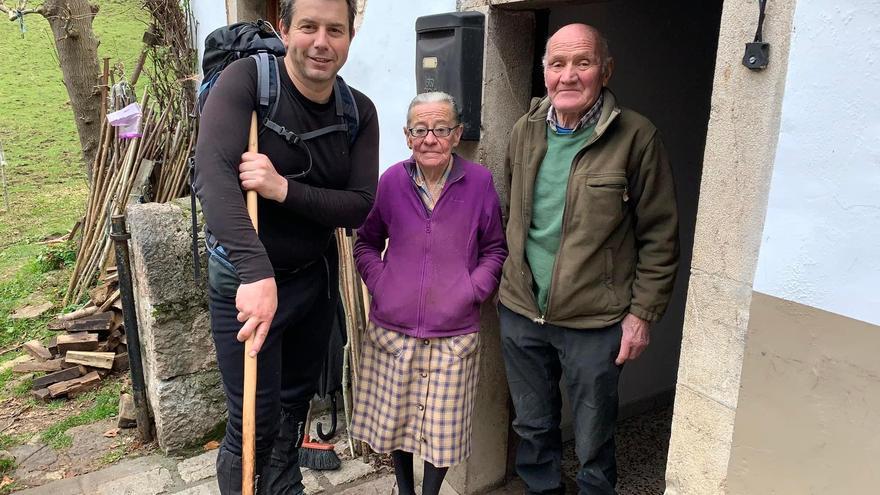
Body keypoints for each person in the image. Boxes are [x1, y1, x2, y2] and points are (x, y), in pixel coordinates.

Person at [193, 0, 378, 492]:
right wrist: (255, 273)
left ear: (350, 36)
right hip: (247, 281)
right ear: (285, 29)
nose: (322, 41)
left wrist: (283, 190)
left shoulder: (357, 110)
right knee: (253, 419)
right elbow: (214, 180)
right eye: (309, 27)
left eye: (335, 29)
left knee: (296, 404)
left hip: (311, 281)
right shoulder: (247, 83)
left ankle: (283, 485)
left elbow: (359, 205)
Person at [499, 23, 679, 495]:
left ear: (606, 69)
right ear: (544, 73)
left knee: (594, 435)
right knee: (533, 426)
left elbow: (660, 235)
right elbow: (513, 212)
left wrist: (642, 314)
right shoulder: (524, 130)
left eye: (583, 62)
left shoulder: (636, 137)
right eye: (557, 64)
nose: (569, 75)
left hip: (596, 321)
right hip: (522, 310)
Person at [350, 92, 507, 495]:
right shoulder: (391, 182)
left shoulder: (479, 183)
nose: (430, 139)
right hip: (394, 329)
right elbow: (366, 243)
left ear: (456, 135)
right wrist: (383, 285)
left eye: (440, 129)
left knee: (442, 430)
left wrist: (473, 290)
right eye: (420, 130)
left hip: (454, 333)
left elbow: (495, 249)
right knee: (397, 423)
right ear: (407, 136)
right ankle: (405, 490)